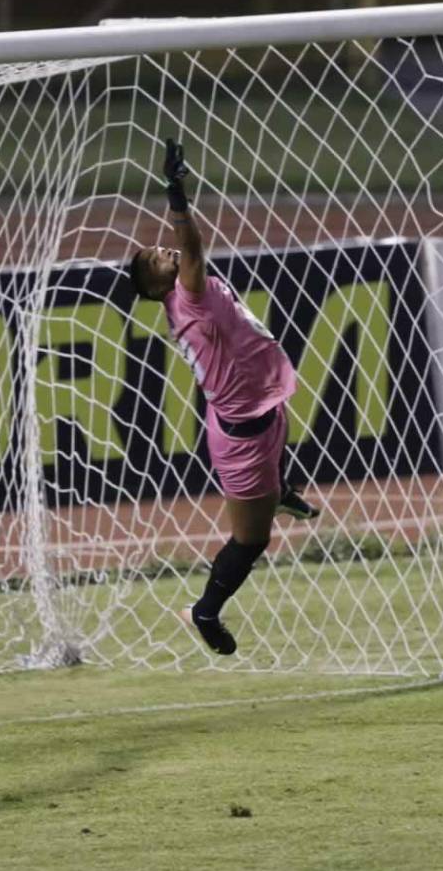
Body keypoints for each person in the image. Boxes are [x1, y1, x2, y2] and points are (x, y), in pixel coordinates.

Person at [127, 138, 318, 656]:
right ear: (155, 287)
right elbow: (191, 247)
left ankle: (279, 490)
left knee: (278, 418)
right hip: (242, 438)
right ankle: (204, 610)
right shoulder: (186, 298)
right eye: (154, 259)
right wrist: (176, 192)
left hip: (258, 412)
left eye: (159, 248)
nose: (163, 251)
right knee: (252, 541)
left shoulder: (191, 295)